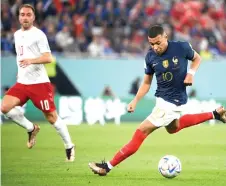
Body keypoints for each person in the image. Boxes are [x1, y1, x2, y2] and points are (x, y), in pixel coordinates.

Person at [88, 25, 226, 175]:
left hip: (171, 102)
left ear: (165, 37)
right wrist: (135, 101)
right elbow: (146, 83)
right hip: (162, 99)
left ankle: (107, 166)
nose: (155, 47)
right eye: (151, 44)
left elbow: (197, 58)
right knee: (174, 128)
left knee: (141, 131)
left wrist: (191, 73)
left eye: (158, 43)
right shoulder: (150, 57)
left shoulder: (181, 47)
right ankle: (215, 114)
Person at [1, 4, 75, 162]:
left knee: (51, 117)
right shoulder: (16, 35)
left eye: (28, 15)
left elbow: (48, 57)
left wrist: (31, 61)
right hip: (22, 83)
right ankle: (31, 128)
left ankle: (69, 145)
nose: (25, 17)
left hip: (39, 83)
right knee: (4, 107)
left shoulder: (39, 35)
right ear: (19, 17)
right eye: (22, 15)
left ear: (33, 17)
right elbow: (21, 58)